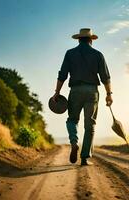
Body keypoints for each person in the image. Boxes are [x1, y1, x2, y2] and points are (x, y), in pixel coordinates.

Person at [52, 28, 113, 166]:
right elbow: (105, 77)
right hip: (92, 92)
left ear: (79, 39)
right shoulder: (98, 55)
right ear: (91, 40)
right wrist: (109, 94)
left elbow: (62, 75)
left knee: (72, 120)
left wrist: (57, 92)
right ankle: (84, 157)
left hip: (75, 91)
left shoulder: (70, 53)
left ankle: (74, 142)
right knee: (90, 125)